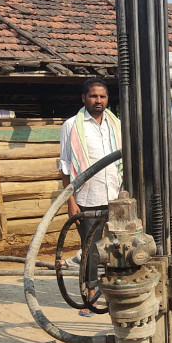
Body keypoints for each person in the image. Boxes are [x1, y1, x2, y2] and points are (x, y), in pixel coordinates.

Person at [59, 78, 122, 316]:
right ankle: (89, 295)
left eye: (102, 96)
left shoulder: (116, 124)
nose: (98, 100)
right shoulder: (71, 126)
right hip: (87, 196)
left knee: (117, 248)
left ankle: (115, 292)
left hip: (115, 194)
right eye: (94, 96)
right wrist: (70, 201)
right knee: (90, 249)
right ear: (83, 98)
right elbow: (65, 166)